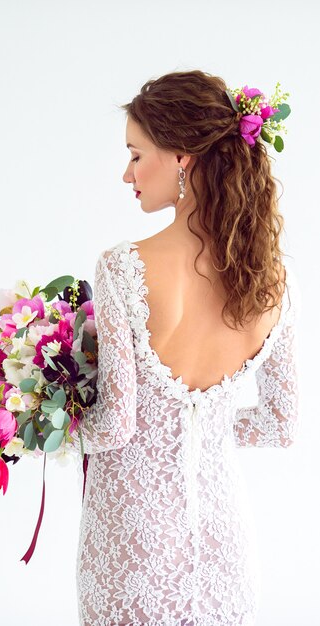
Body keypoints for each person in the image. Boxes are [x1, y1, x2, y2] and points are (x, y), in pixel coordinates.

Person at [72, 69, 301, 626]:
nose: (127, 172)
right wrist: (206, 426)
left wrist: (46, 412)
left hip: (136, 547)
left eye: (135, 153)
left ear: (182, 158)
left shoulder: (124, 268)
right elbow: (281, 423)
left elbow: (117, 425)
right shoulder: (270, 282)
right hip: (225, 550)